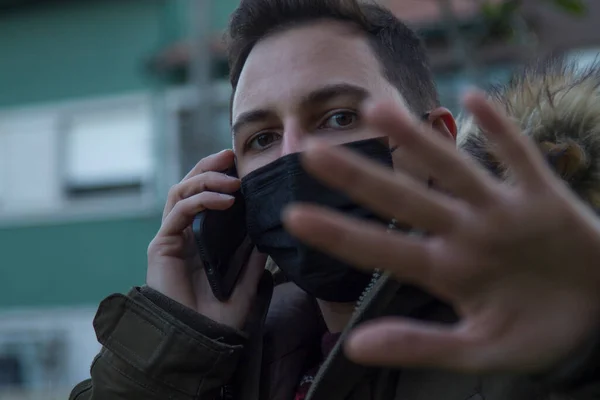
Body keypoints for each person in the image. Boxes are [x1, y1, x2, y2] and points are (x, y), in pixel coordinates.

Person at [69, 0, 600, 399]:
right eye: (261, 138)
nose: (295, 156)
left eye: (339, 117)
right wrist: (174, 348)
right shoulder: (229, 360)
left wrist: (581, 353)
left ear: (438, 141)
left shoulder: (531, 317)